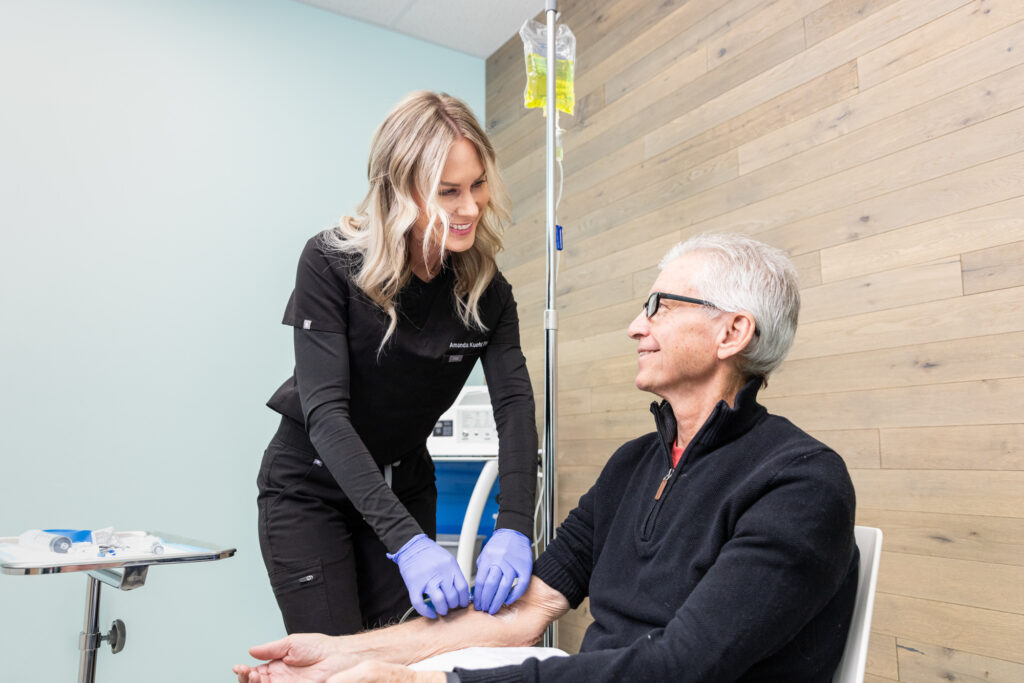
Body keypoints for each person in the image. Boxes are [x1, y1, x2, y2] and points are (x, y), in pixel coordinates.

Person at [237, 233, 859, 682]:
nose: (635, 328)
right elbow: (526, 612)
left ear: (732, 333)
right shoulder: (634, 467)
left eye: (660, 306)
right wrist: (344, 655)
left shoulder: (799, 483)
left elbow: (682, 666)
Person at [258, 91, 538, 637]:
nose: (471, 208)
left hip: (406, 482)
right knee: (338, 662)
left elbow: (514, 404)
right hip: (311, 488)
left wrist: (516, 525)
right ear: (399, 189)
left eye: (478, 184)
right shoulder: (330, 262)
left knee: (408, 658)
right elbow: (325, 413)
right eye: (448, 191)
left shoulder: (487, 290)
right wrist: (410, 546)